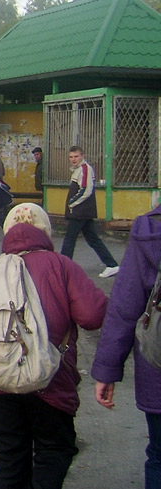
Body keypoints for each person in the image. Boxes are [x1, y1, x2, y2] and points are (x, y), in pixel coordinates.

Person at [0, 203, 107, 489]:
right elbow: (92, 315)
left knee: (9, 455)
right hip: (48, 378)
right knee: (53, 449)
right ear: (46, 231)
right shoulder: (62, 265)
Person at [91, 204, 161, 489]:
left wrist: (107, 370)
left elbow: (126, 304)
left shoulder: (151, 229)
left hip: (158, 369)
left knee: (159, 455)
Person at [61, 145, 120, 278]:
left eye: (76, 156)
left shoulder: (84, 169)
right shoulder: (78, 170)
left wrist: (71, 203)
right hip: (82, 211)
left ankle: (63, 268)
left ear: (83, 156)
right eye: (71, 157)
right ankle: (112, 265)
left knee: (69, 239)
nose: (73, 159)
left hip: (80, 211)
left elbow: (86, 191)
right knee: (93, 239)